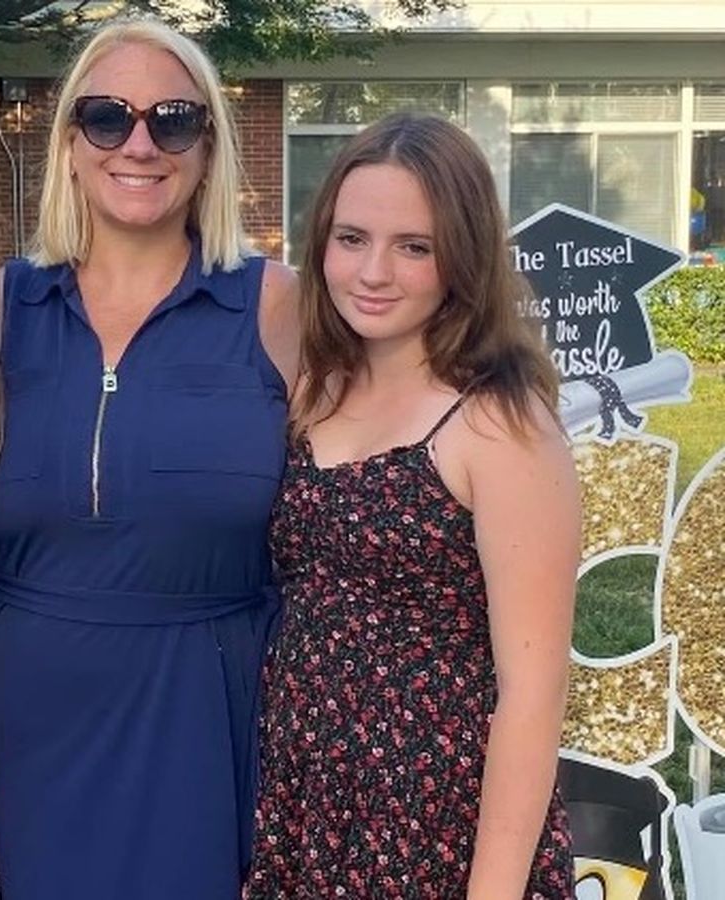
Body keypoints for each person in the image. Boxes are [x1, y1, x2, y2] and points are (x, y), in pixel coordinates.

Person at [0, 18, 299, 900]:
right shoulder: (0, 305)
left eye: (173, 120)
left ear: (208, 151)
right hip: (12, 717)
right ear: (69, 146)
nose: (138, 144)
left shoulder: (275, 306)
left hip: (205, 714)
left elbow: (390, 435)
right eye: (107, 117)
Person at [246, 113, 579, 899]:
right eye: (352, 238)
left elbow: (533, 695)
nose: (374, 272)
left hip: (435, 821)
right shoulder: (313, 387)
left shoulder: (500, 424)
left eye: (414, 247)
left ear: (463, 256)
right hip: (309, 801)